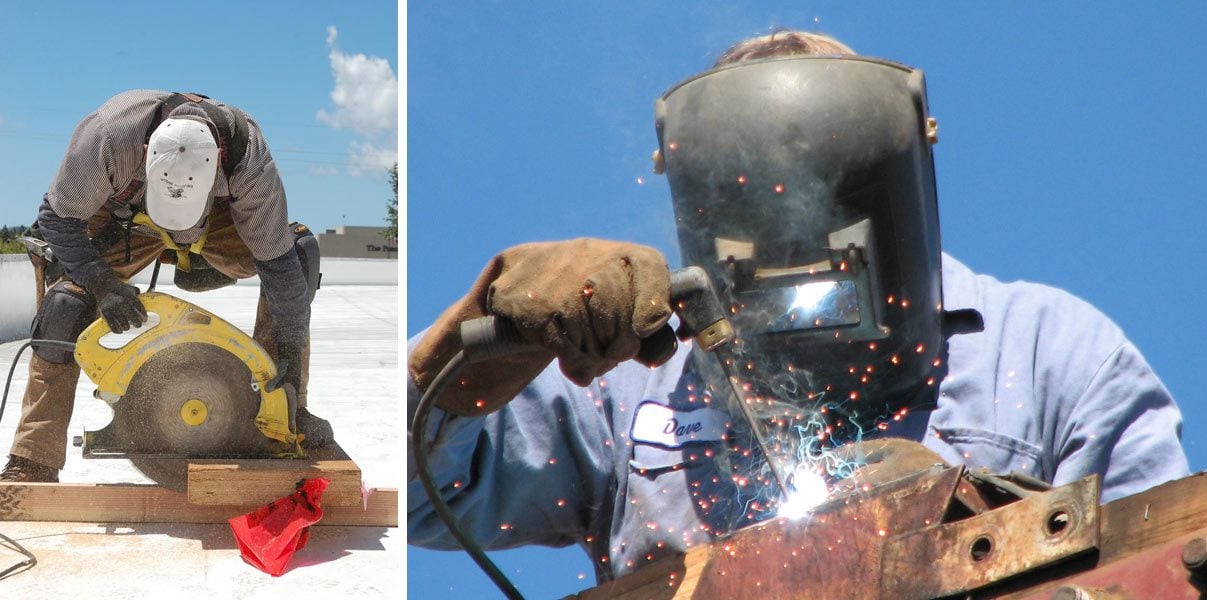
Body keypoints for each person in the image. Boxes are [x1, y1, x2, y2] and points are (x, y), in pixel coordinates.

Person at [407, 31, 1189, 582]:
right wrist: (486, 343)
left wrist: (979, 522)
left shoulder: (1049, 352)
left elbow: (1156, 557)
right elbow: (416, 499)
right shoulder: (627, 378)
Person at [1, 90, 333, 483]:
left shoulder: (248, 159)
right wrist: (102, 283)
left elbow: (277, 264)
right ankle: (32, 457)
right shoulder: (109, 137)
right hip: (126, 221)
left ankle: (287, 414)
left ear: (218, 166)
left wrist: (290, 347)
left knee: (297, 254)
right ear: (144, 152)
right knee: (65, 306)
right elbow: (57, 219)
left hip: (216, 221)